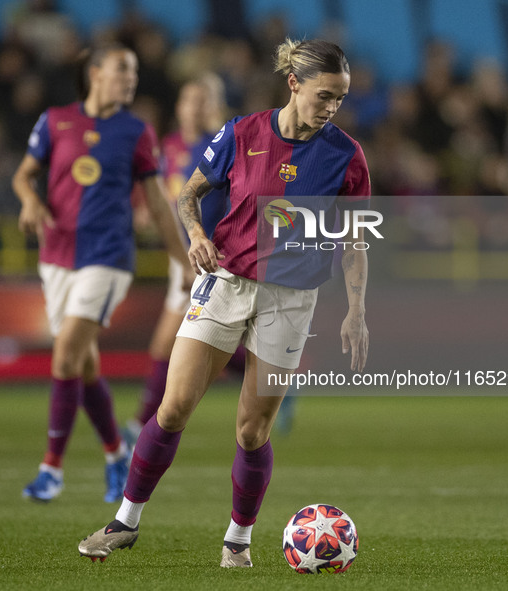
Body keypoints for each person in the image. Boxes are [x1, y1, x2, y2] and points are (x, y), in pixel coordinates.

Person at [78, 38, 370, 566]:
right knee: (171, 409)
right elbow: (188, 195)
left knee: (252, 430)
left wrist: (356, 311)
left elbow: (353, 242)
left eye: (341, 98)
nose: (332, 107)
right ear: (294, 83)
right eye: (325, 95)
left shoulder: (346, 157)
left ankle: (237, 540)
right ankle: (125, 521)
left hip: (292, 299)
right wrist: (194, 236)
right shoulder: (242, 133)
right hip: (226, 280)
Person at [12, 43, 193, 503]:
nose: (130, 79)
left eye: (133, 72)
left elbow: (156, 202)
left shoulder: (136, 131)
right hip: (56, 256)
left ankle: (51, 469)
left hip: (108, 257)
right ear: (95, 73)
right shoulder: (55, 120)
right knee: (83, 363)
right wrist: (30, 200)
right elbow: (24, 174)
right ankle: (116, 455)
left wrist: (182, 259)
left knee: (67, 353)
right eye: (121, 70)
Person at [126, 73, 240, 439]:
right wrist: (145, 212)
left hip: (211, 254)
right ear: (178, 107)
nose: (194, 107)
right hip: (183, 254)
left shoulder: (218, 145)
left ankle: (138, 425)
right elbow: (164, 192)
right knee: (200, 342)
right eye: (189, 100)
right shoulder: (170, 145)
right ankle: (269, 377)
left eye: (201, 101)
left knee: (167, 343)